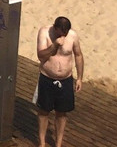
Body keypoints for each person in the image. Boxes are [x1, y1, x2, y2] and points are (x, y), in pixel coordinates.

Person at [36, 16, 84, 147]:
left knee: (61, 113)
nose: (63, 36)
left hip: (66, 79)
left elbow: (78, 55)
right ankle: (42, 143)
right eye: (60, 33)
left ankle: (58, 143)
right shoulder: (44, 32)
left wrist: (79, 77)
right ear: (55, 28)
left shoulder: (73, 36)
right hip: (47, 77)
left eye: (66, 33)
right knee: (43, 111)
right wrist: (55, 45)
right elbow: (41, 56)